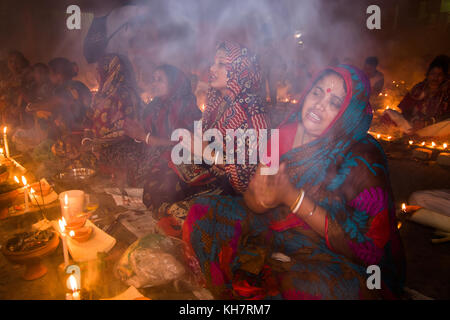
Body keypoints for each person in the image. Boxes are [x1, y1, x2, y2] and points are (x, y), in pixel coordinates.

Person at [182, 65, 405, 299]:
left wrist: (293, 198)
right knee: (205, 211)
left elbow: (369, 251)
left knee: (310, 286)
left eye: (335, 102)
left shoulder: (364, 159)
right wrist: (261, 201)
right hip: (276, 227)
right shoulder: (284, 133)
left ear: (348, 113)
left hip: (334, 252)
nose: (320, 104)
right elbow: (255, 199)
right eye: (317, 92)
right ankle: (221, 291)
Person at [121, 64, 202, 211]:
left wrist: (145, 137)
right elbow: (146, 135)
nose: (154, 83)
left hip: (182, 159)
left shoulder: (186, 106)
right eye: (153, 79)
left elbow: (183, 143)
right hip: (156, 153)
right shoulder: (154, 106)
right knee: (126, 159)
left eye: (160, 80)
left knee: (160, 188)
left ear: (173, 83)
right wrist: (137, 134)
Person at [26, 58, 93, 171]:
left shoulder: (65, 88)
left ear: (58, 75)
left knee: (60, 153)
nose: (49, 77)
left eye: (50, 73)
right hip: (85, 134)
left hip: (77, 136)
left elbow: (60, 100)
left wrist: (34, 106)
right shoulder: (79, 85)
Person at [382, 55, 449, 136]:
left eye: (440, 75)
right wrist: (414, 121)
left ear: (444, 77)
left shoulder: (447, 91)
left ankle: (416, 134)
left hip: (434, 128)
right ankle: (412, 132)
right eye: (433, 74)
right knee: (389, 113)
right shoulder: (418, 88)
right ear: (428, 74)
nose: (435, 77)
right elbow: (405, 110)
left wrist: (426, 123)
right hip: (412, 126)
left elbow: (446, 115)